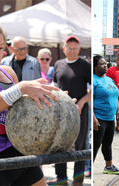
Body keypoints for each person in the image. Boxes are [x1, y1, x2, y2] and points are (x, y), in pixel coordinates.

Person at [0, 21, 60, 186]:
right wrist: (22, 87)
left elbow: (22, 107)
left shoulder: (7, 72)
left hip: (21, 153)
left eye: (1, 48)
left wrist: (57, 102)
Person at [48, 35, 91, 186]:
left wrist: (81, 102)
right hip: (60, 111)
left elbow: (93, 90)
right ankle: (61, 178)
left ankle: (78, 179)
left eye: (75, 48)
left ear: (79, 49)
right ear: (64, 49)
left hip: (79, 111)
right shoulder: (58, 64)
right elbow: (54, 86)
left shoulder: (85, 65)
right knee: (59, 143)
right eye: (69, 48)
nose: (72, 51)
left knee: (80, 144)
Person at [93, 55, 119, 175]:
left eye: (105, 63)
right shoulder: (93, 80)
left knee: (107, 143)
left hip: (110, 118)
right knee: (96, 145)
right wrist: (93, 118)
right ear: (95, 67)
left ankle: (109, 167)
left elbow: (114, 95)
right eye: (101, 64)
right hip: (99, 118)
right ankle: (89, 172)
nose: (105, 65)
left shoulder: (108, 79)